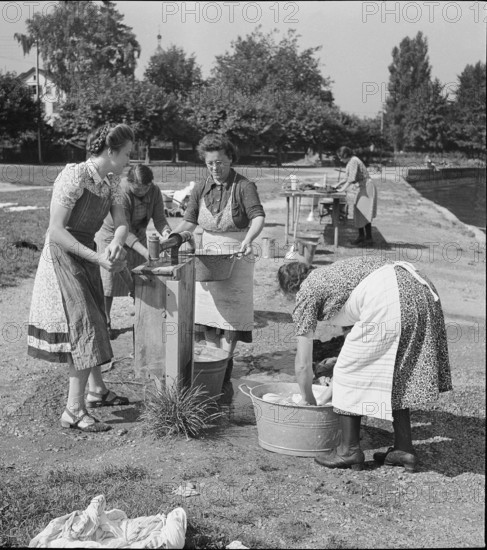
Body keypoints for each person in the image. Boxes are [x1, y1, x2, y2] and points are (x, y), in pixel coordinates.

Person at [277, 257, 452, 472]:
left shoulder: (307, 291)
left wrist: (309, 400)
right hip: (420, 288)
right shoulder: (335, 275)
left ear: (290, 290)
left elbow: (303, 365)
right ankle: (404, 449)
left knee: (347, 371)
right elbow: (356, 335)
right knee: (398, 371)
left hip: (390, 295)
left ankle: (348, 450)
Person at [27, 123, 135, 432]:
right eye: (127, 154)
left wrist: (114, 245)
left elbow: (121, 223)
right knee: (84, 327)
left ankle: (96, 390)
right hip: (62, 256)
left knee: (96, 321)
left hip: (87, 255)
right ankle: (73, 411)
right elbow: (57, 230)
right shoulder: (74, 175)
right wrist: (99, 258)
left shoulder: (111, 182)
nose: (130, 159)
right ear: (110, 152)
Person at [173, 134, 265, 395]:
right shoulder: (201, 187)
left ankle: (222, 375)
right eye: (210, 163)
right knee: (208, 322)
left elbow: (258, 216)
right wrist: (173, 236)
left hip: (238, 256)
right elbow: (190, 221)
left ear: (231, 159)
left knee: (230, 323)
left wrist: (249, 238)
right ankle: (214, 377)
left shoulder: (244, 186)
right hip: (208, 260)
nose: (215, 168)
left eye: (220, 163)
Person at [95, 164, 172, 335]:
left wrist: (167, 232)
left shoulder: (155, 191)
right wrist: (146, 252)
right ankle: (105, 322)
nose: (142, 192)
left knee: (139, 278)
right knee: (109, 281)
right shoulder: (120, 192)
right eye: (137, 190)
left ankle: (143, 316)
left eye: (145, 189)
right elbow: (124, 230)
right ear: (129, 183)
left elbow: (159, 218)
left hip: (138, 234)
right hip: (112, 236)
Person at [335, 146, 377, 246]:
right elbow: (346, 178)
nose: (340, 159)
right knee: (358, 212)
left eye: (341, 157)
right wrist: (336, 185)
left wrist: (342, 189)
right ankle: (361, 236)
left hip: (367, 187)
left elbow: (351, 179)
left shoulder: (354, 161)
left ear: (345, 155)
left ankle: (368, 238)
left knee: (364, 212)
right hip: (361, 187)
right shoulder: (350, 162)